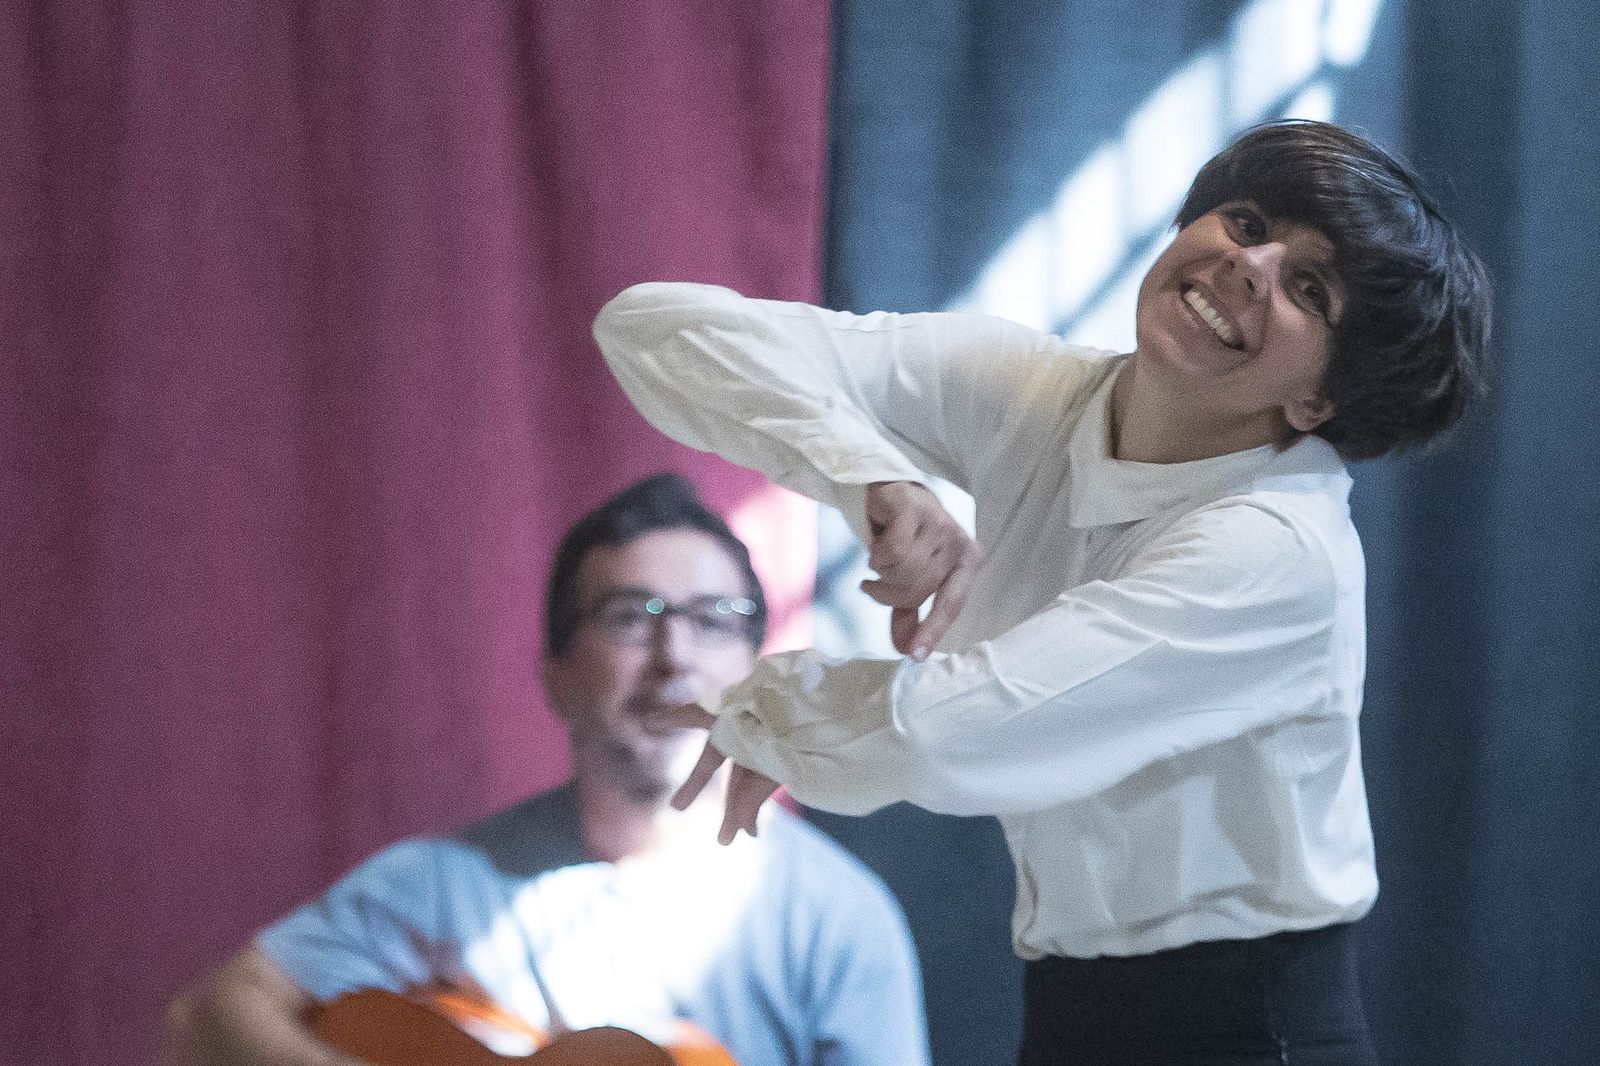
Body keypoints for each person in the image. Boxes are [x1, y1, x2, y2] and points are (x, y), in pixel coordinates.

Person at [591, 121, 1491, 1064]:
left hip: (1252, 1033)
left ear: (1318, 402)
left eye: (1309, 288)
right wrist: (870, 477)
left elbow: (953, 731)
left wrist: (772, 712)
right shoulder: (1037, 393)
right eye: (1248, 221)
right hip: (1067, 1007)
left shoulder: (1279, 550)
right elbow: (652, 329)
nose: (1249, 264)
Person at [161, 474, 930, 1066]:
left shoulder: (836, 921)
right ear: (556, 676)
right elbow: (210, 1013)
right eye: (630, 617)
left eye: (712, 620)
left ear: (758, 667)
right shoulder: (443, 882)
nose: (674, 658)